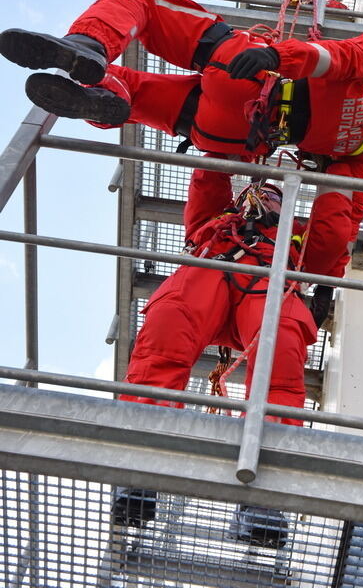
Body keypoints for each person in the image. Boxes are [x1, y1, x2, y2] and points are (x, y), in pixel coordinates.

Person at [0, 0, 363, 294]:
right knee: (135, 95)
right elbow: (336, 227)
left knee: (142, 1)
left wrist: (274, 54)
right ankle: (100, 93)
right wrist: (325, 282)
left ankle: (89, 46)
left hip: (249, 75)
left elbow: (336, 57)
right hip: (233, 138)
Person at [112, 165, 317, 547]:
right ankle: (138, 470)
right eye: (262, 192)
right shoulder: (217, 217)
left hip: (266, 287)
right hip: (209, 274)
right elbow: (210, 174)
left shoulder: (299, 232)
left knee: (281, 364)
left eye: (274, 194)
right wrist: (234, 145)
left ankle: (263, 498)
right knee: (163, 343)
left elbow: (335, 232)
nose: (266, 197)